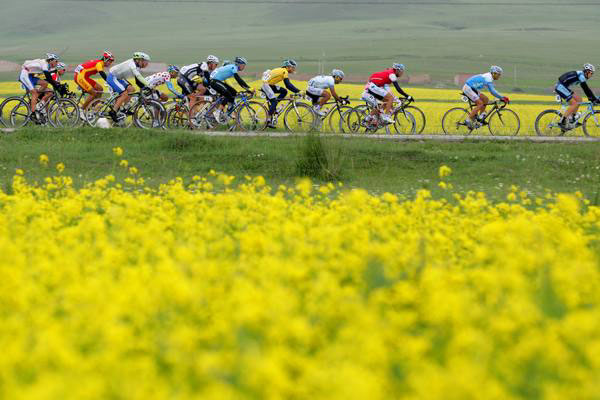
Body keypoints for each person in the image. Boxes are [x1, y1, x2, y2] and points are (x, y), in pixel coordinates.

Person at [106, 51, 151, 122]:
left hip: (119, 78)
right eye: (146, 62)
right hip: (112, 77)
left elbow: (137, 81)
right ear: (139, 60)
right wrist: (149, 85)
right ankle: (113, 112)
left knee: (131, 89)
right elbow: (139, 76)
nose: (147, 64)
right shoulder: (132, 64)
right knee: (124, 94)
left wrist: (144, 88)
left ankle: (124, 108)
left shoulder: (137, 67)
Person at [18, 53, 64, 119]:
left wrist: (58, 84)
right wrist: (57, 86)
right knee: (34, 93)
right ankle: (33, 114)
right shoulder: (44, 64)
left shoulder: (48, 66)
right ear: (51, 61)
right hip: (25, 75)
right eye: (56, 61)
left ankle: (37, 99)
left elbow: (49, 79)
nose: (57, 63)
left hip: (30, 76)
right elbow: (49, 78)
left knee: (45, 83)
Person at [555, 64, 599, 128]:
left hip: (563, 87)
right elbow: (586, 89)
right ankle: (562, 121)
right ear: (587, 72)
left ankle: (572, 119)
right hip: (560, 87)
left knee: (579, 99)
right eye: (591, 73)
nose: (591, 75)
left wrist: (592, 98)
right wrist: (593, 99)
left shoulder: (581, 75)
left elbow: (586, 90)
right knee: (574, 104)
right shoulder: (581, 76)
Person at [261, 59, 301, 128]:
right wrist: (298, 91)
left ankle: (273, 107)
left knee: (284, 91)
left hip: (269, 85)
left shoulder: (282, 70)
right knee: (274, 101)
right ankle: (268, 119)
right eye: (293, 67)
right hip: (266, 85)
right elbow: (288, 85)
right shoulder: (284, 71)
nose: (294, 69)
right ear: (288, 67)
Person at [74, 51, 114, 115]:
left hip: (84, 76)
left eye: (111, 62)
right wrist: (111, 83)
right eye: (110, 61)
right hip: (80, 77)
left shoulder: (98, 62)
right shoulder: (99, 64)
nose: (110, 63)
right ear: (105, 59)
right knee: (93, 93)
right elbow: (102, 74)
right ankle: (81, 110)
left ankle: (95, 109)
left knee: (100, 88)